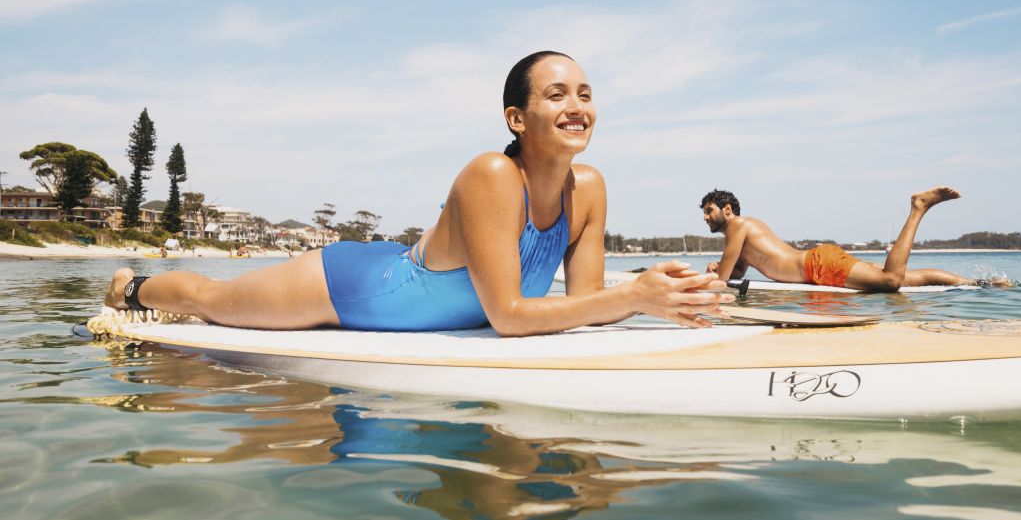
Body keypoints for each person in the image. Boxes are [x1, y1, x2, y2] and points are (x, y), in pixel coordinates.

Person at [105, 52, 733, 335]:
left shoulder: (589, 189)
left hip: (405, 278)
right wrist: (635, 293)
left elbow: (588, 301)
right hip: (356, 290)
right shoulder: (492, 173)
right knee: (213, 301)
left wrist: (665, 295)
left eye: (587, 94)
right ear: (517, 117)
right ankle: (131, 286)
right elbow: (510, 316)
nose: (578, 106)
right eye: (557, 94)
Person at [699, 187, 974, 291]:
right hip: (817, 265)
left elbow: (722, 280)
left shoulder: (738, 225)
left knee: (892, 280)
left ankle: (918, 208)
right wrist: (719, 269)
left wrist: (711, 275)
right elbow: (735, 271)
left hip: (817, 267)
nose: (705, 218)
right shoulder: (745, 231)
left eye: (709, 211)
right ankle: (972, 283)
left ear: (727, 210)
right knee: (906, 278)